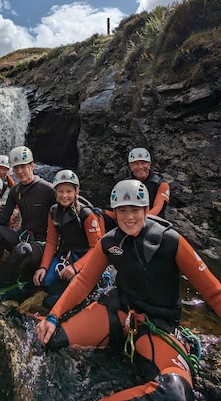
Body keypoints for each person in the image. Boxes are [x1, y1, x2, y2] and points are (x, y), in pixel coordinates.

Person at [36, 179, 221, 401]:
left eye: (135, 210)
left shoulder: (171, 241)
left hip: (156, 325)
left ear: (146, 209)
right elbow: (84, 281)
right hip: (118, 311)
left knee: (175, 395)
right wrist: (53, 316)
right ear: (114, 212)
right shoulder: (109, 242)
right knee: (52, 341)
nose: (129, 217)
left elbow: (213, 293)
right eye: (122, 211)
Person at [0, 146, 56, 285]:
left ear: (32, 166)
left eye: (23, 167)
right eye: (16, 168)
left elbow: (71, 203)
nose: (19, 171)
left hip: (41, 242)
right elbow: (3, 219)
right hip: (22, 235)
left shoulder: (47, 189)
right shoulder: (15, 191)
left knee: (22, 250)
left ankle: (2, 284)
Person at [33, 169, 102, 307]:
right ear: (55, 193)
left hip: (85, 257)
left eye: (69, 191)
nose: (65, 195)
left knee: (62, 295)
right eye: (61, 191)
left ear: (76, 192)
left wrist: (75, 268)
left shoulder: (86, 214)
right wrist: (43, 267)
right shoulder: (53, 212)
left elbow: (96, 248)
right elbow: (52, 241)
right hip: (66, 254)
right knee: (44, 282)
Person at [128, 147, 170, 218]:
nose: (140, 167)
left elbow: (158, 207)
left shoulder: (161, 185)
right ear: (131, 166)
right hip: (132, 222)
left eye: (143, 163)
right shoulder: (126, 185)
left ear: (149, 165)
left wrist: (140, 220)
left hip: (156, 225)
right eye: (136, 164)